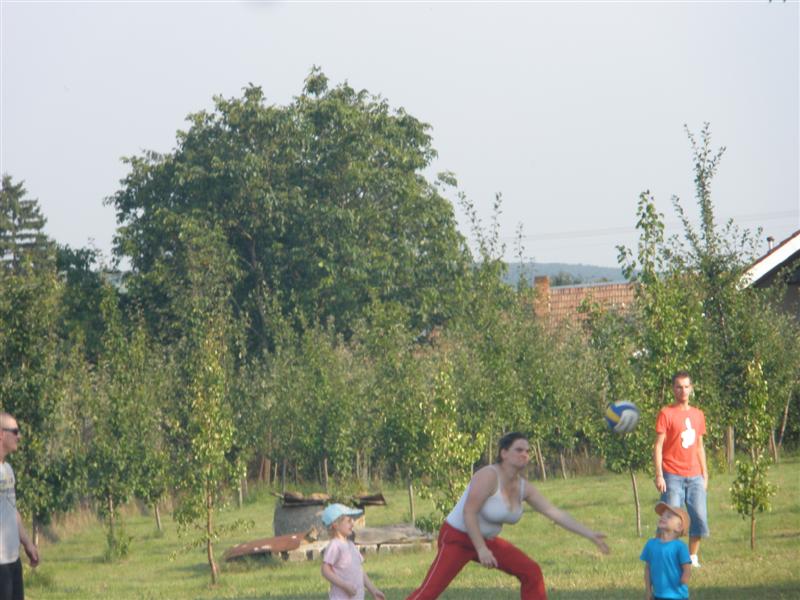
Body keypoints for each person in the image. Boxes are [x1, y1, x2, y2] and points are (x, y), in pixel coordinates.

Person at [406, 432, 610, 600]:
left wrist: (589, 534)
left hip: (486, 540)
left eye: (527, 451)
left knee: (531, 572)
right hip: (458, 537)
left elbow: (554, 512)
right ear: (504, 453)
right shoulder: (488, 476)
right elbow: (469, 512)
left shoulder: (524, 488)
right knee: (428, 593)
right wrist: (481, 549)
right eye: (518, 450)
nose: (524, 454)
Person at [653, 371, 709, 568]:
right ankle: (663, 557)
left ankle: (692, 557)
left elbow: (700, 446)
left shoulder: (698, 415)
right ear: (673, 389)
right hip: (672, 474)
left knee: (699, 517)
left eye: (686, 387)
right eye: (679, 387)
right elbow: (658, 446)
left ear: (691, 389)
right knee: (671, 519)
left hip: (695, 475)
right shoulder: (666, 413)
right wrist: (659, 474)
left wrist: (705, 473)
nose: (683, 390)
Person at [0, 412, 39, 600]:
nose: (19, 436)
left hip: (12, 560)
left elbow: (11, 510)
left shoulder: (7, 470)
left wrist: (28, 544)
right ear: (1, 434)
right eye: (15, 431)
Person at [320, 503, 385, 600]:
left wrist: (373, 590)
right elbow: (325, 570)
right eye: (349, 521)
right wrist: (344, 585)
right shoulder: (335, 545)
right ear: (335, 525)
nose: (353, 523)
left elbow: (359, 571)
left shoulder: (351, 545)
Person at [640, 502, 692, 600]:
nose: (663, 517)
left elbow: (687, 569)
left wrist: (685, 578)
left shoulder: (680, 547)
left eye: (668, 516)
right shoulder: (651, 544)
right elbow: (648, 568)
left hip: (677, 596)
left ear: (679, 527)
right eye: (662, 515)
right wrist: (648, 590)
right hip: (658, 595)